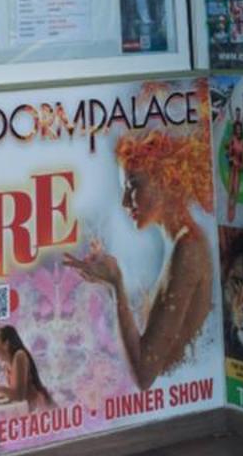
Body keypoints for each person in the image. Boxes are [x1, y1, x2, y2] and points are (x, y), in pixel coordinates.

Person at [65, 123, 215, 390]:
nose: (125, 202)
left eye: (132, 185)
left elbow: (144, 374)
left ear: (167, 179)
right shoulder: (179, 242)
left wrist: (116, 285)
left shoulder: (187, 247)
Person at [0, 325, 53, 411]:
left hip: (39, 407)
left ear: (6, 344)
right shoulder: (6, 365)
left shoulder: (19, 355)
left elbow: (19, 396)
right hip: (27, 408)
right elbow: (12, 394)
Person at [222, 103, 243, 224]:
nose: (238, 130)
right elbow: (228, 152)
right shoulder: (233, 138)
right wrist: (229, 157)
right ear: (235, 129)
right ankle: (229, 208)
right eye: (237, 129)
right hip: (233, 164)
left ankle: (233, 209)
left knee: (236, 187)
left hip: (239, 165)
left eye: (240, 129)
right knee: (231, 189)